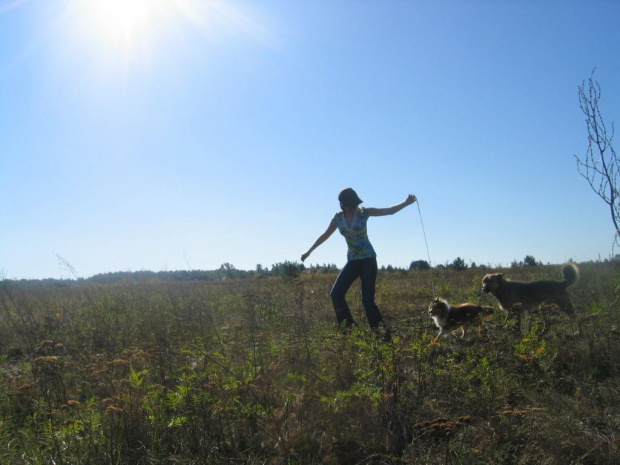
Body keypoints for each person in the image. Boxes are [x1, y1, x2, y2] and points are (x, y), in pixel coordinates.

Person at [301, 188, 417, 331]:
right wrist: (309, 251)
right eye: (350, 206)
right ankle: (349, 328)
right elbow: (325, 235)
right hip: (352, 261)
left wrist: (406, 203)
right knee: (336, 294)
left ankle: (379, 332)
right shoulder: (338, 219)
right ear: (342, 205)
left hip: (368, 260)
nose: (353, 208)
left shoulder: (364, 213)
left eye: (355, 205)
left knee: (367, 300)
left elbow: (390, 211)